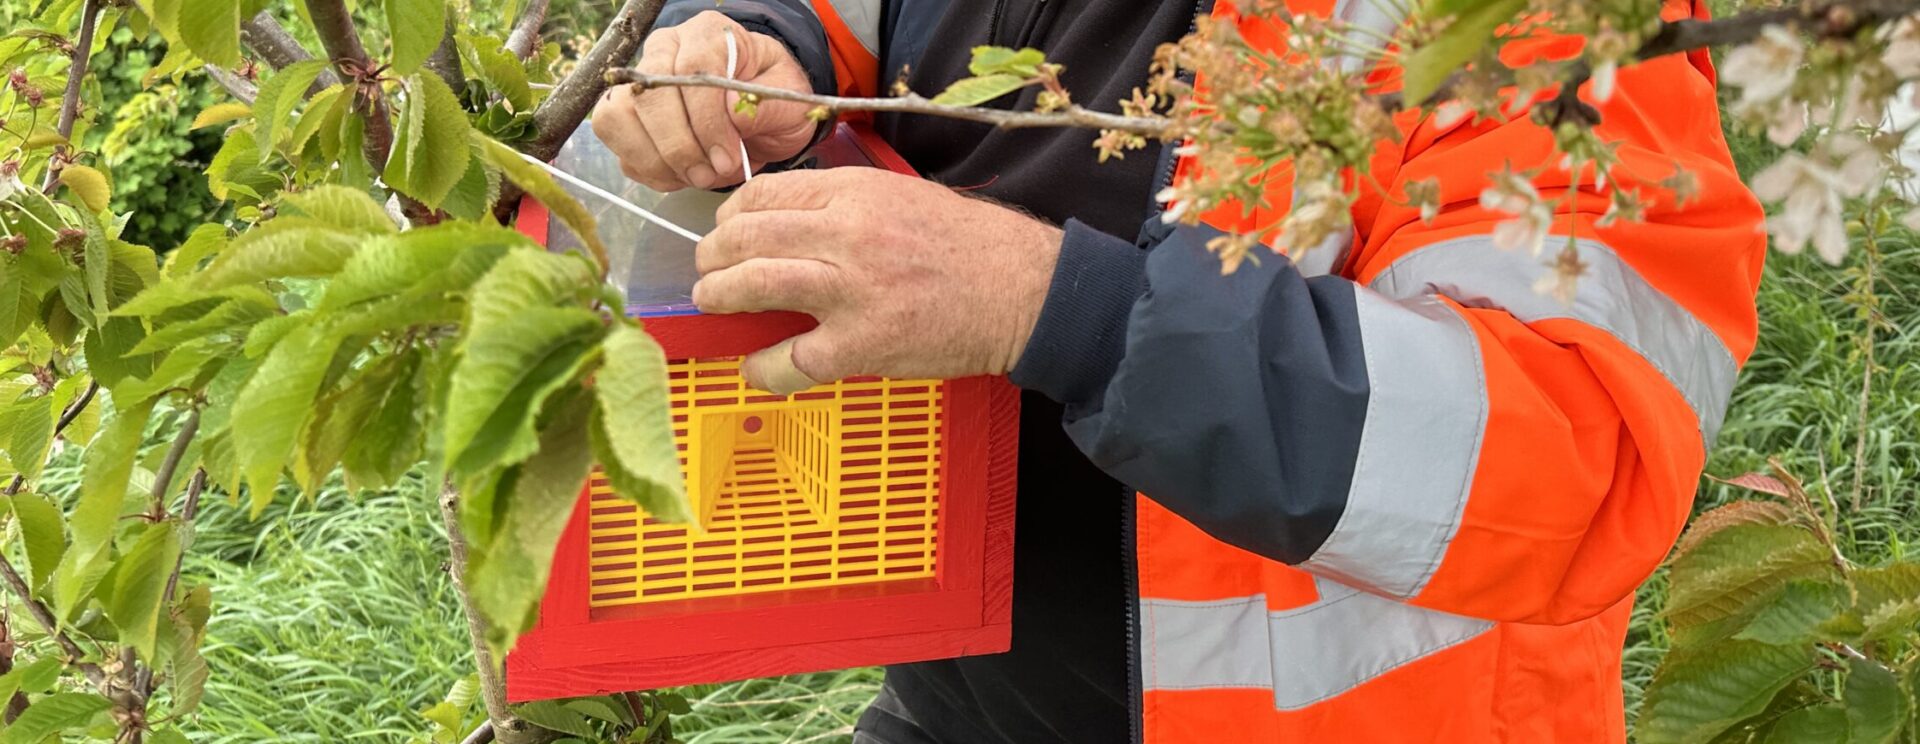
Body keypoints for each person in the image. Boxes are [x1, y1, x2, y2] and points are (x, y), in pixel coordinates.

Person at [589, 1, 1765, 741]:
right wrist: (753, 38)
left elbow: (1580, 451)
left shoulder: (1530, 25)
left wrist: (1057, 307)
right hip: (954, 705)